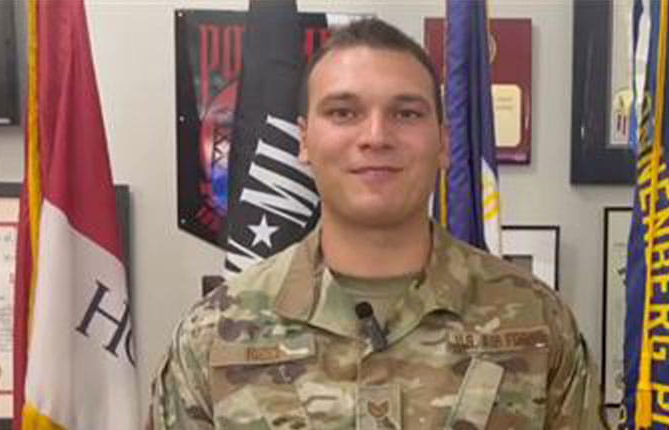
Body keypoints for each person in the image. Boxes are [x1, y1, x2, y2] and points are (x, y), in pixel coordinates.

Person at [148, 18, 607, 430]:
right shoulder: (214, 335)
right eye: (343, 112)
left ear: (443, 142)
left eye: (406, 113)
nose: (376, 136)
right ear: (304, 140)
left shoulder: (536, 321)